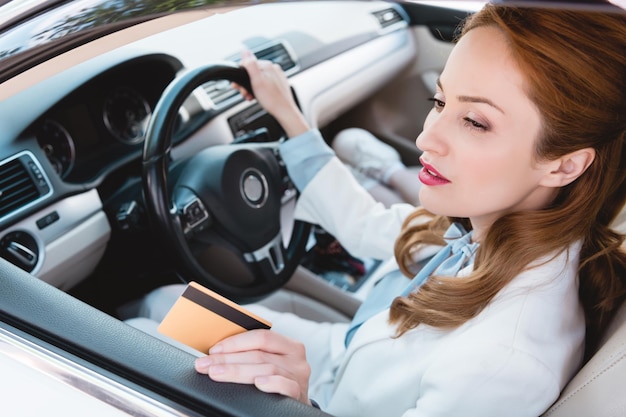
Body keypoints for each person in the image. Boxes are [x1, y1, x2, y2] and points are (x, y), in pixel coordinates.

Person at [135, 4, 626, 416]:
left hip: (325, 397)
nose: (424, 139)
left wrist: (296, 405)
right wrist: (287, 114)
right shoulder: (490, 225)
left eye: (475, 122)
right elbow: (367, 225)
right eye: (439, 101)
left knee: (137, 332)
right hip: (339, 357)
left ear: (563, 166)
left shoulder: (500, 365)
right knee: (164, 303)